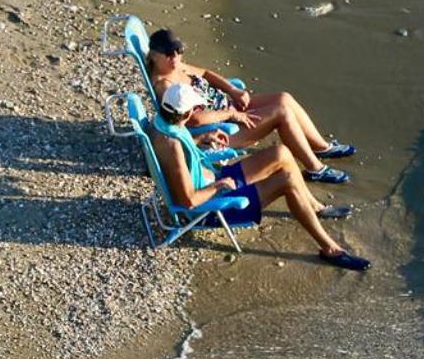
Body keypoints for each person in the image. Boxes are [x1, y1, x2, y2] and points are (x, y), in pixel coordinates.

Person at [150, 82, 370, 271]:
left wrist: (201, 139)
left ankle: (313, 207)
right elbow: (188, 200)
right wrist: (220, 186)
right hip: (211, 207)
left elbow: (180, 154)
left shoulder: (162, 125)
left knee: (281, 153)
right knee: (287, 180)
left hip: (213, 180)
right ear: (187, 113)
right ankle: (330, 249)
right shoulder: (173, 147)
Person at [144, 28, 355, 184]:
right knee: (281, 113)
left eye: (179, 51)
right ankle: (314, 169)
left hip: (229, 106)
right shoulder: (165, 85)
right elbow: (194, 120)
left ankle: (321, 148)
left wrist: (232, 91)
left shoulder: (177, 66)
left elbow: (206, 74)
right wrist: (231, 114)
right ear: (154, 54)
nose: (176, 57)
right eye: (169, 54)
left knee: (284, 98)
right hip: (219, 130)